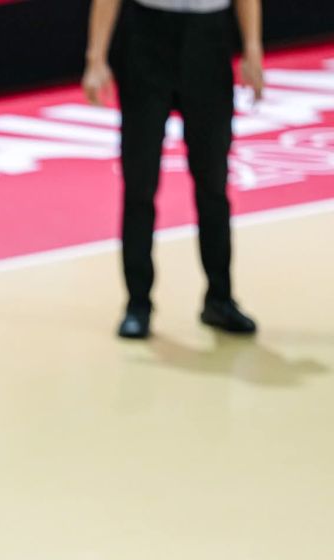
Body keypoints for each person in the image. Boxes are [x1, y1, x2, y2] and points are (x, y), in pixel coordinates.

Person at [82, 0, 264, 339]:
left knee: (213, 182)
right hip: (147, 36)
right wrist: (96, 57)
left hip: (209, 38)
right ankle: (138, 304)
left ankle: (220, 298)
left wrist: (253, 48)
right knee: (140, 182)